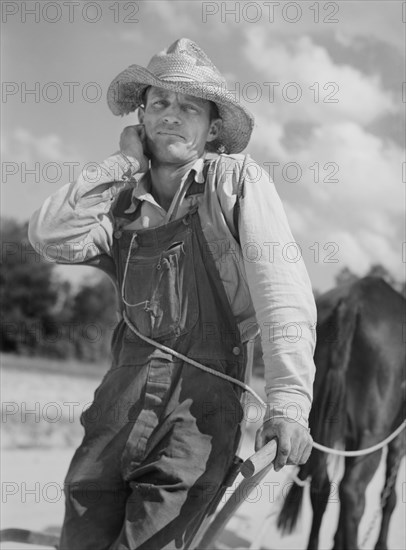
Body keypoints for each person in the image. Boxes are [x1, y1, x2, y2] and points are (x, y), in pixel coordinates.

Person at [28, 38, 316, 550]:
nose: (172, 116)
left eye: (189, 106)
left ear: (211, 128)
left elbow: (283, 293)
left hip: (197, 418)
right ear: (140, 117)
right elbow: (49, 235)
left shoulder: (235, 181)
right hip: (116, 410)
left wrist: (289, 403)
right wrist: (121, 163)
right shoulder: (118, 203)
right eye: (159, 102)